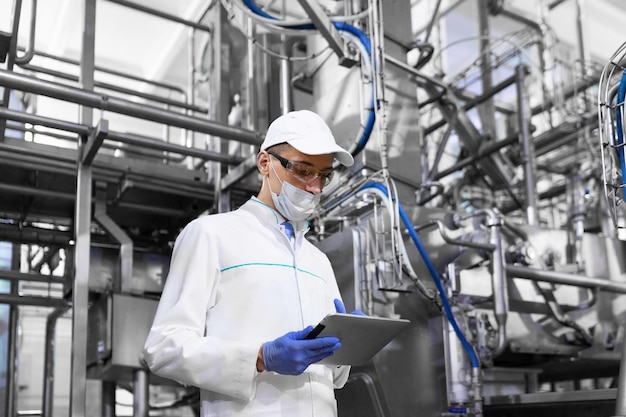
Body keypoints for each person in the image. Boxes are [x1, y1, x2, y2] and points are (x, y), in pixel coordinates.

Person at [143, 109, 361, 417]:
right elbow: (164, 348)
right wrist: (260, 358)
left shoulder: (318, 260)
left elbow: (334, 379)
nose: (314, 187)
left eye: (324, 175)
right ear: (265, 163)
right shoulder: (211, 235)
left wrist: (343, 347)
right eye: (303, 170)